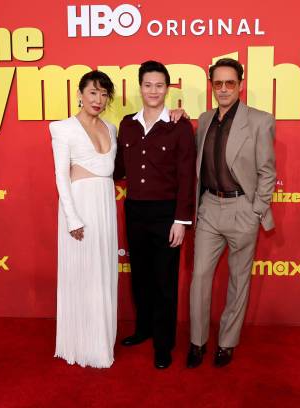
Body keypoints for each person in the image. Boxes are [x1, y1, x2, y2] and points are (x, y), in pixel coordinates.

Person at [187, 58, 276, 368]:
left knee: (238, 280)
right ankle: (197, 342)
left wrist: (256, 210)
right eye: (218, 83)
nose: (223, 89)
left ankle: (226, 343)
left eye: (230, 83)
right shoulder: (204, 119)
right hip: (210, 207)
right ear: (212, 86)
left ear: (240, 85)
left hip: (242, 208)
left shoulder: (260, 121)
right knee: (200, 277)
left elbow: (267, 171)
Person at [114, 60, 196, 369]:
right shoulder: (127, 124)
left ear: (167, 89)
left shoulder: (179, 126)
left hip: (166, 214)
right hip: (135, 210)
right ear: (140, 87)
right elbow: (117, 168)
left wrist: (180, 220)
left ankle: (164, 344)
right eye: (148, 85)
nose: (153, 91)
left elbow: (187, 177)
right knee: (140, 277)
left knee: (164, 281)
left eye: (159, 85)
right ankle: (144, 329)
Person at [49, 70, 118, 368]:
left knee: (102, 273)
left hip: (105, 205)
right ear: (79, 94)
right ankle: (80, 344)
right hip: (80, 207)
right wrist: (72, 217)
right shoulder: (62, 128)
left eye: (103, 94)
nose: (98, 99)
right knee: (82, 274)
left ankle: (101, 343)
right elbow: (61, 175)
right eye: (93, 92)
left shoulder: (111, 128)